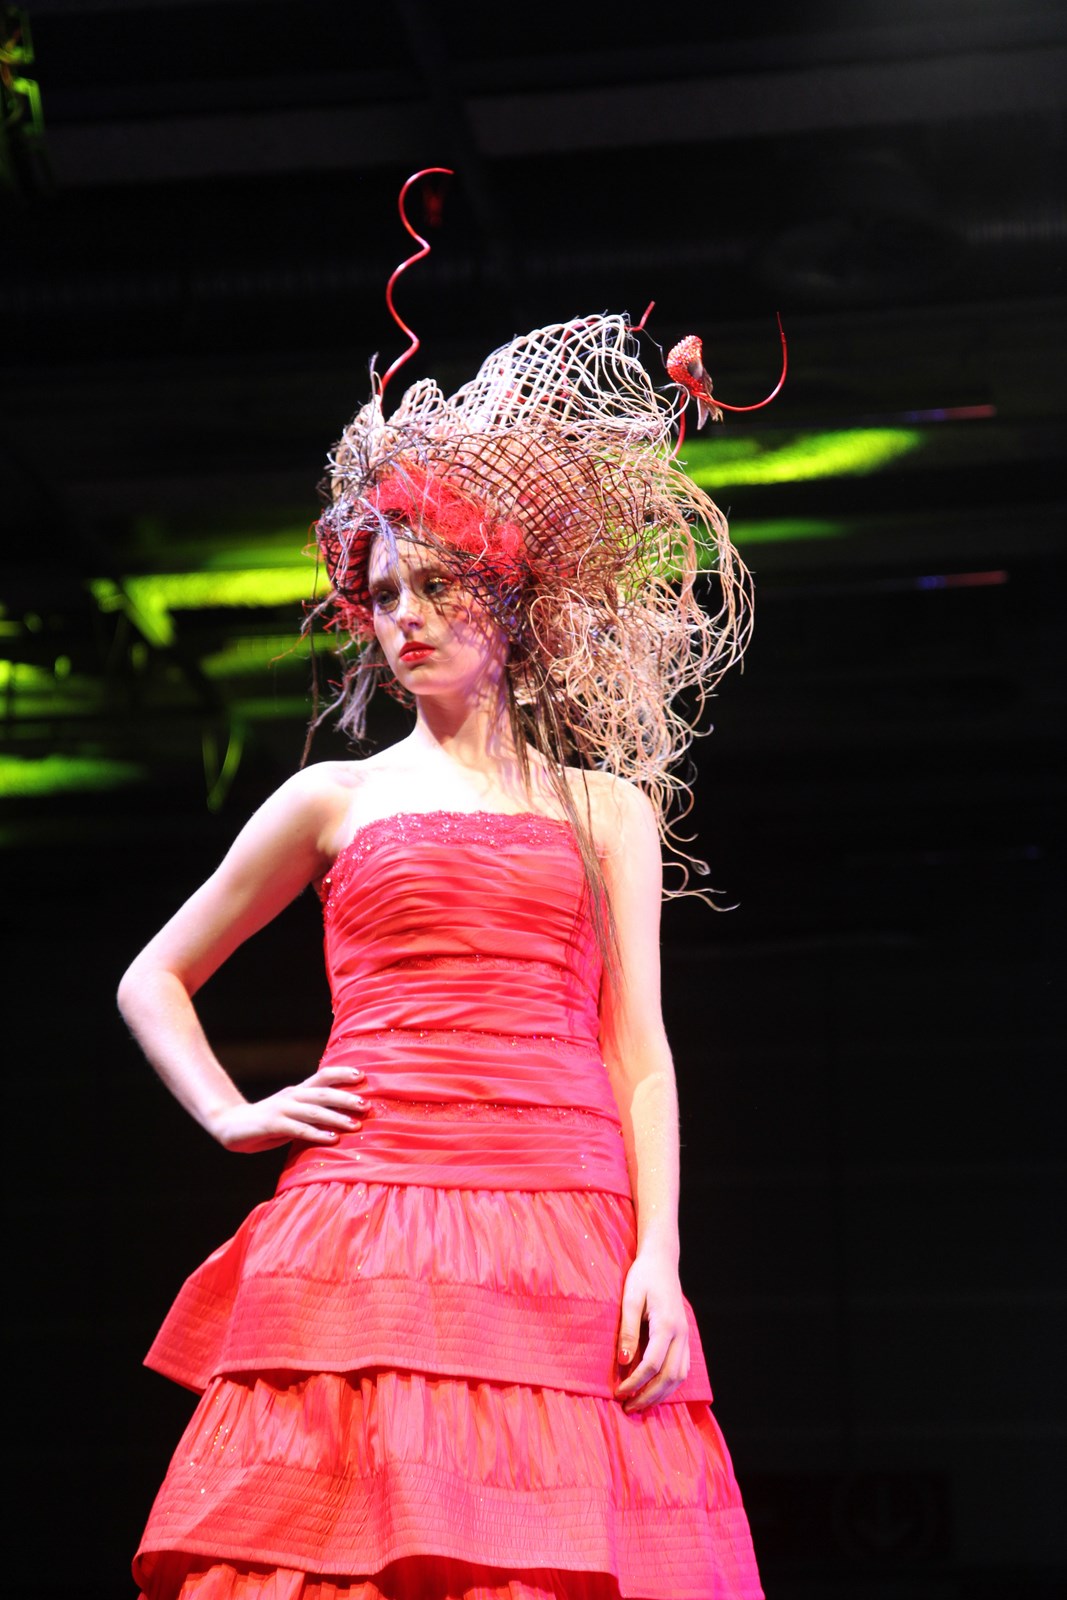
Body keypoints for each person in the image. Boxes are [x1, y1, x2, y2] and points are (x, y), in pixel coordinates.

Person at [119, 308, 764, 1599]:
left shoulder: (605, 810)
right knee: (347, 1548)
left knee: (560, 1546)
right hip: (373, 1203)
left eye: (437, 587)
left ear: (510, 602)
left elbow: (639, 1051)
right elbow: (153, 975)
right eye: (383, 596)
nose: (404, 618)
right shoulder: (334, 799)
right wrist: (233, 1113)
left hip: (564, 1213)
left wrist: (661, 1252)